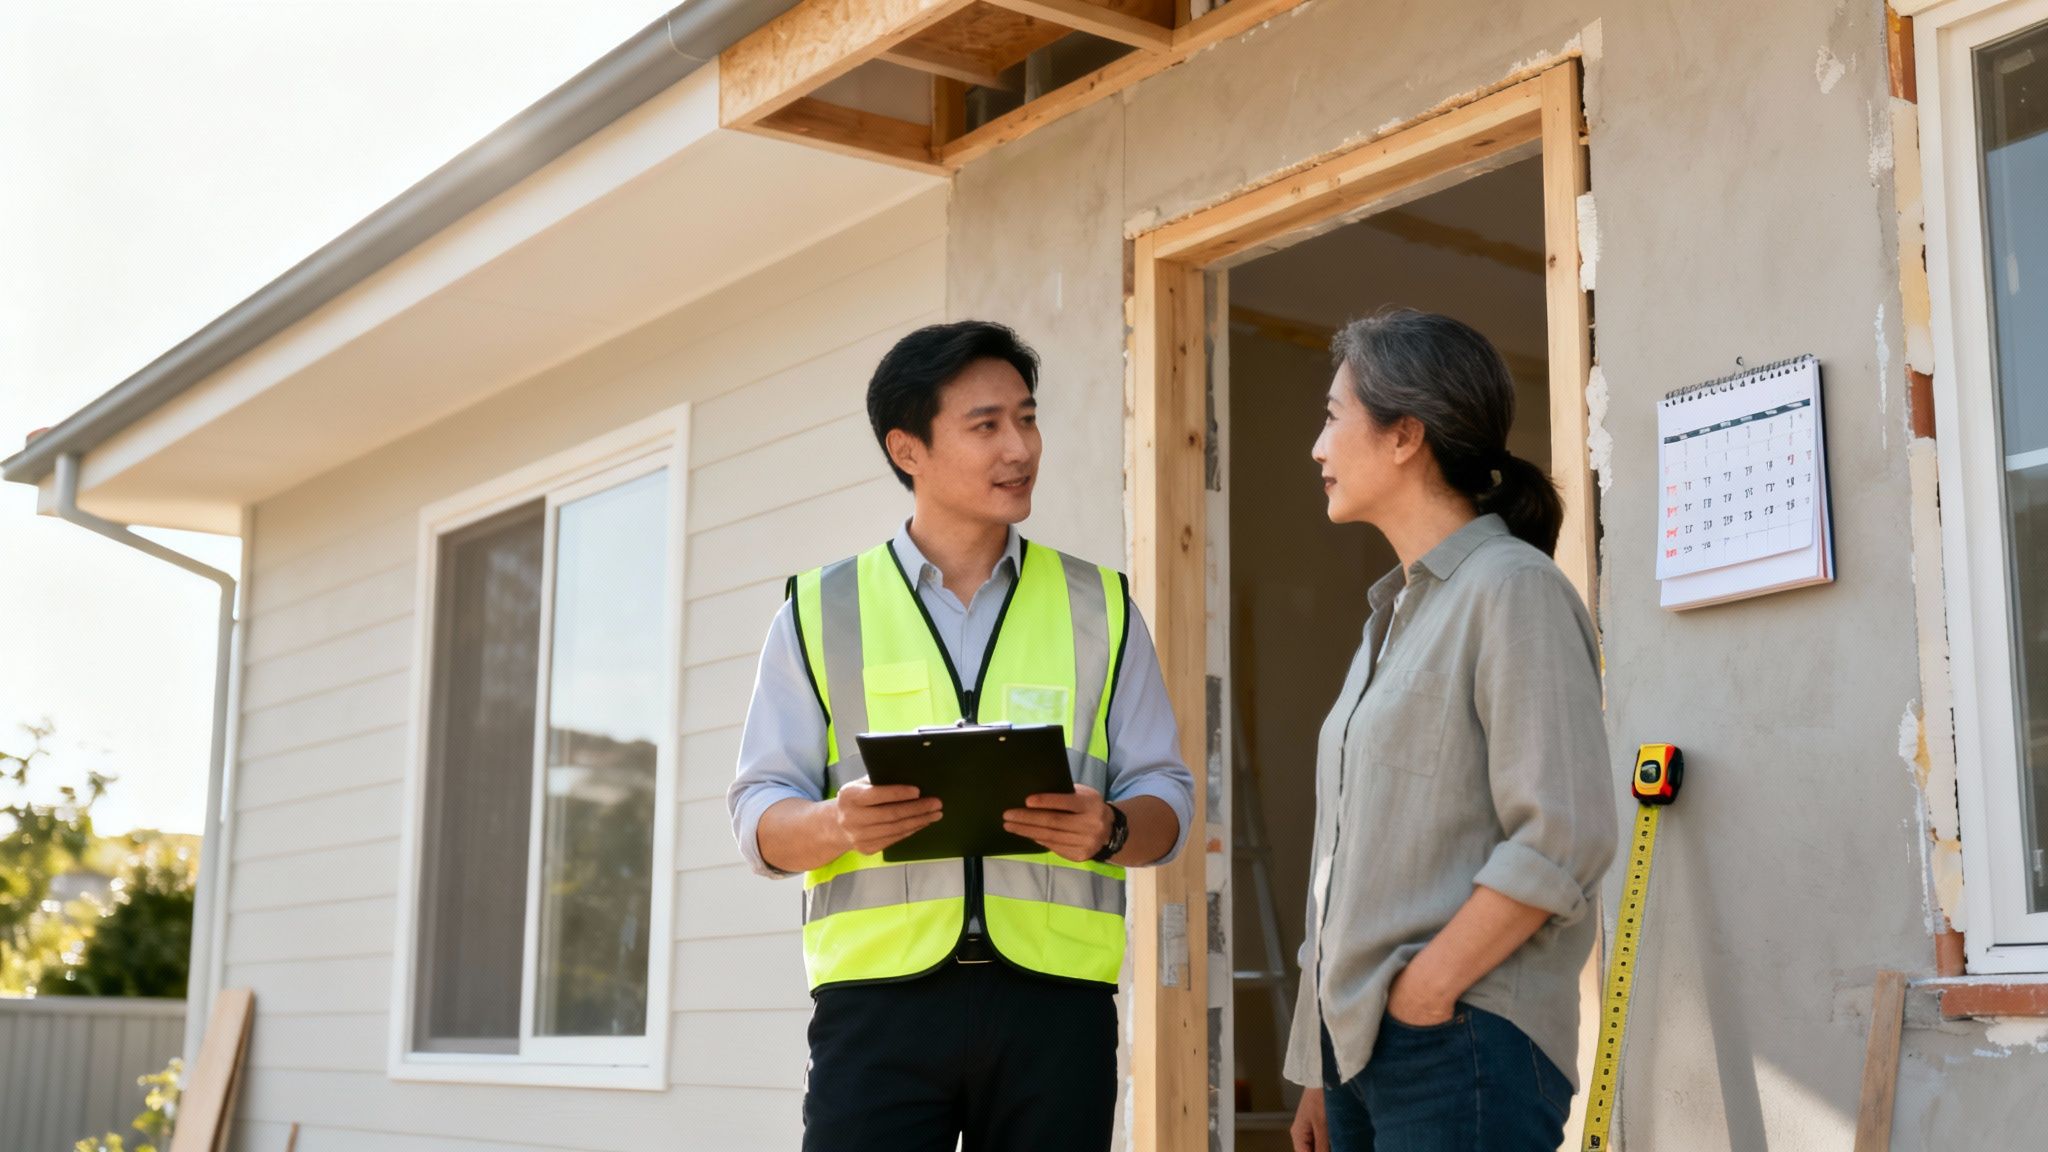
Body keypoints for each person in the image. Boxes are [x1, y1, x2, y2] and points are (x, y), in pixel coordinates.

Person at [728, 320, 1195, 1152]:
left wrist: (1112, 827)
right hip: (876, 1013)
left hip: (1058, 1010)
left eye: (1028, 417)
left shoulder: (1105, 608)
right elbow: (758, 817)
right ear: (908, 449)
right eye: (986, 426)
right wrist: (838, 824)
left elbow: (1169, 798)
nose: (1019, 447)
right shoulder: (818, 609)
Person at [1286, 309, 1618, 1152]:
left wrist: (1426, 992)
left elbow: (1562, 834)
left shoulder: (1514, 590)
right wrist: (1322, 1062)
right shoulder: (1389, 620)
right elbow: (1342, 866)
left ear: (1404, 435)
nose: (1317, 448)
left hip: (1461, 1042)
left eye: (1333, 416)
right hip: (1366, 1056)